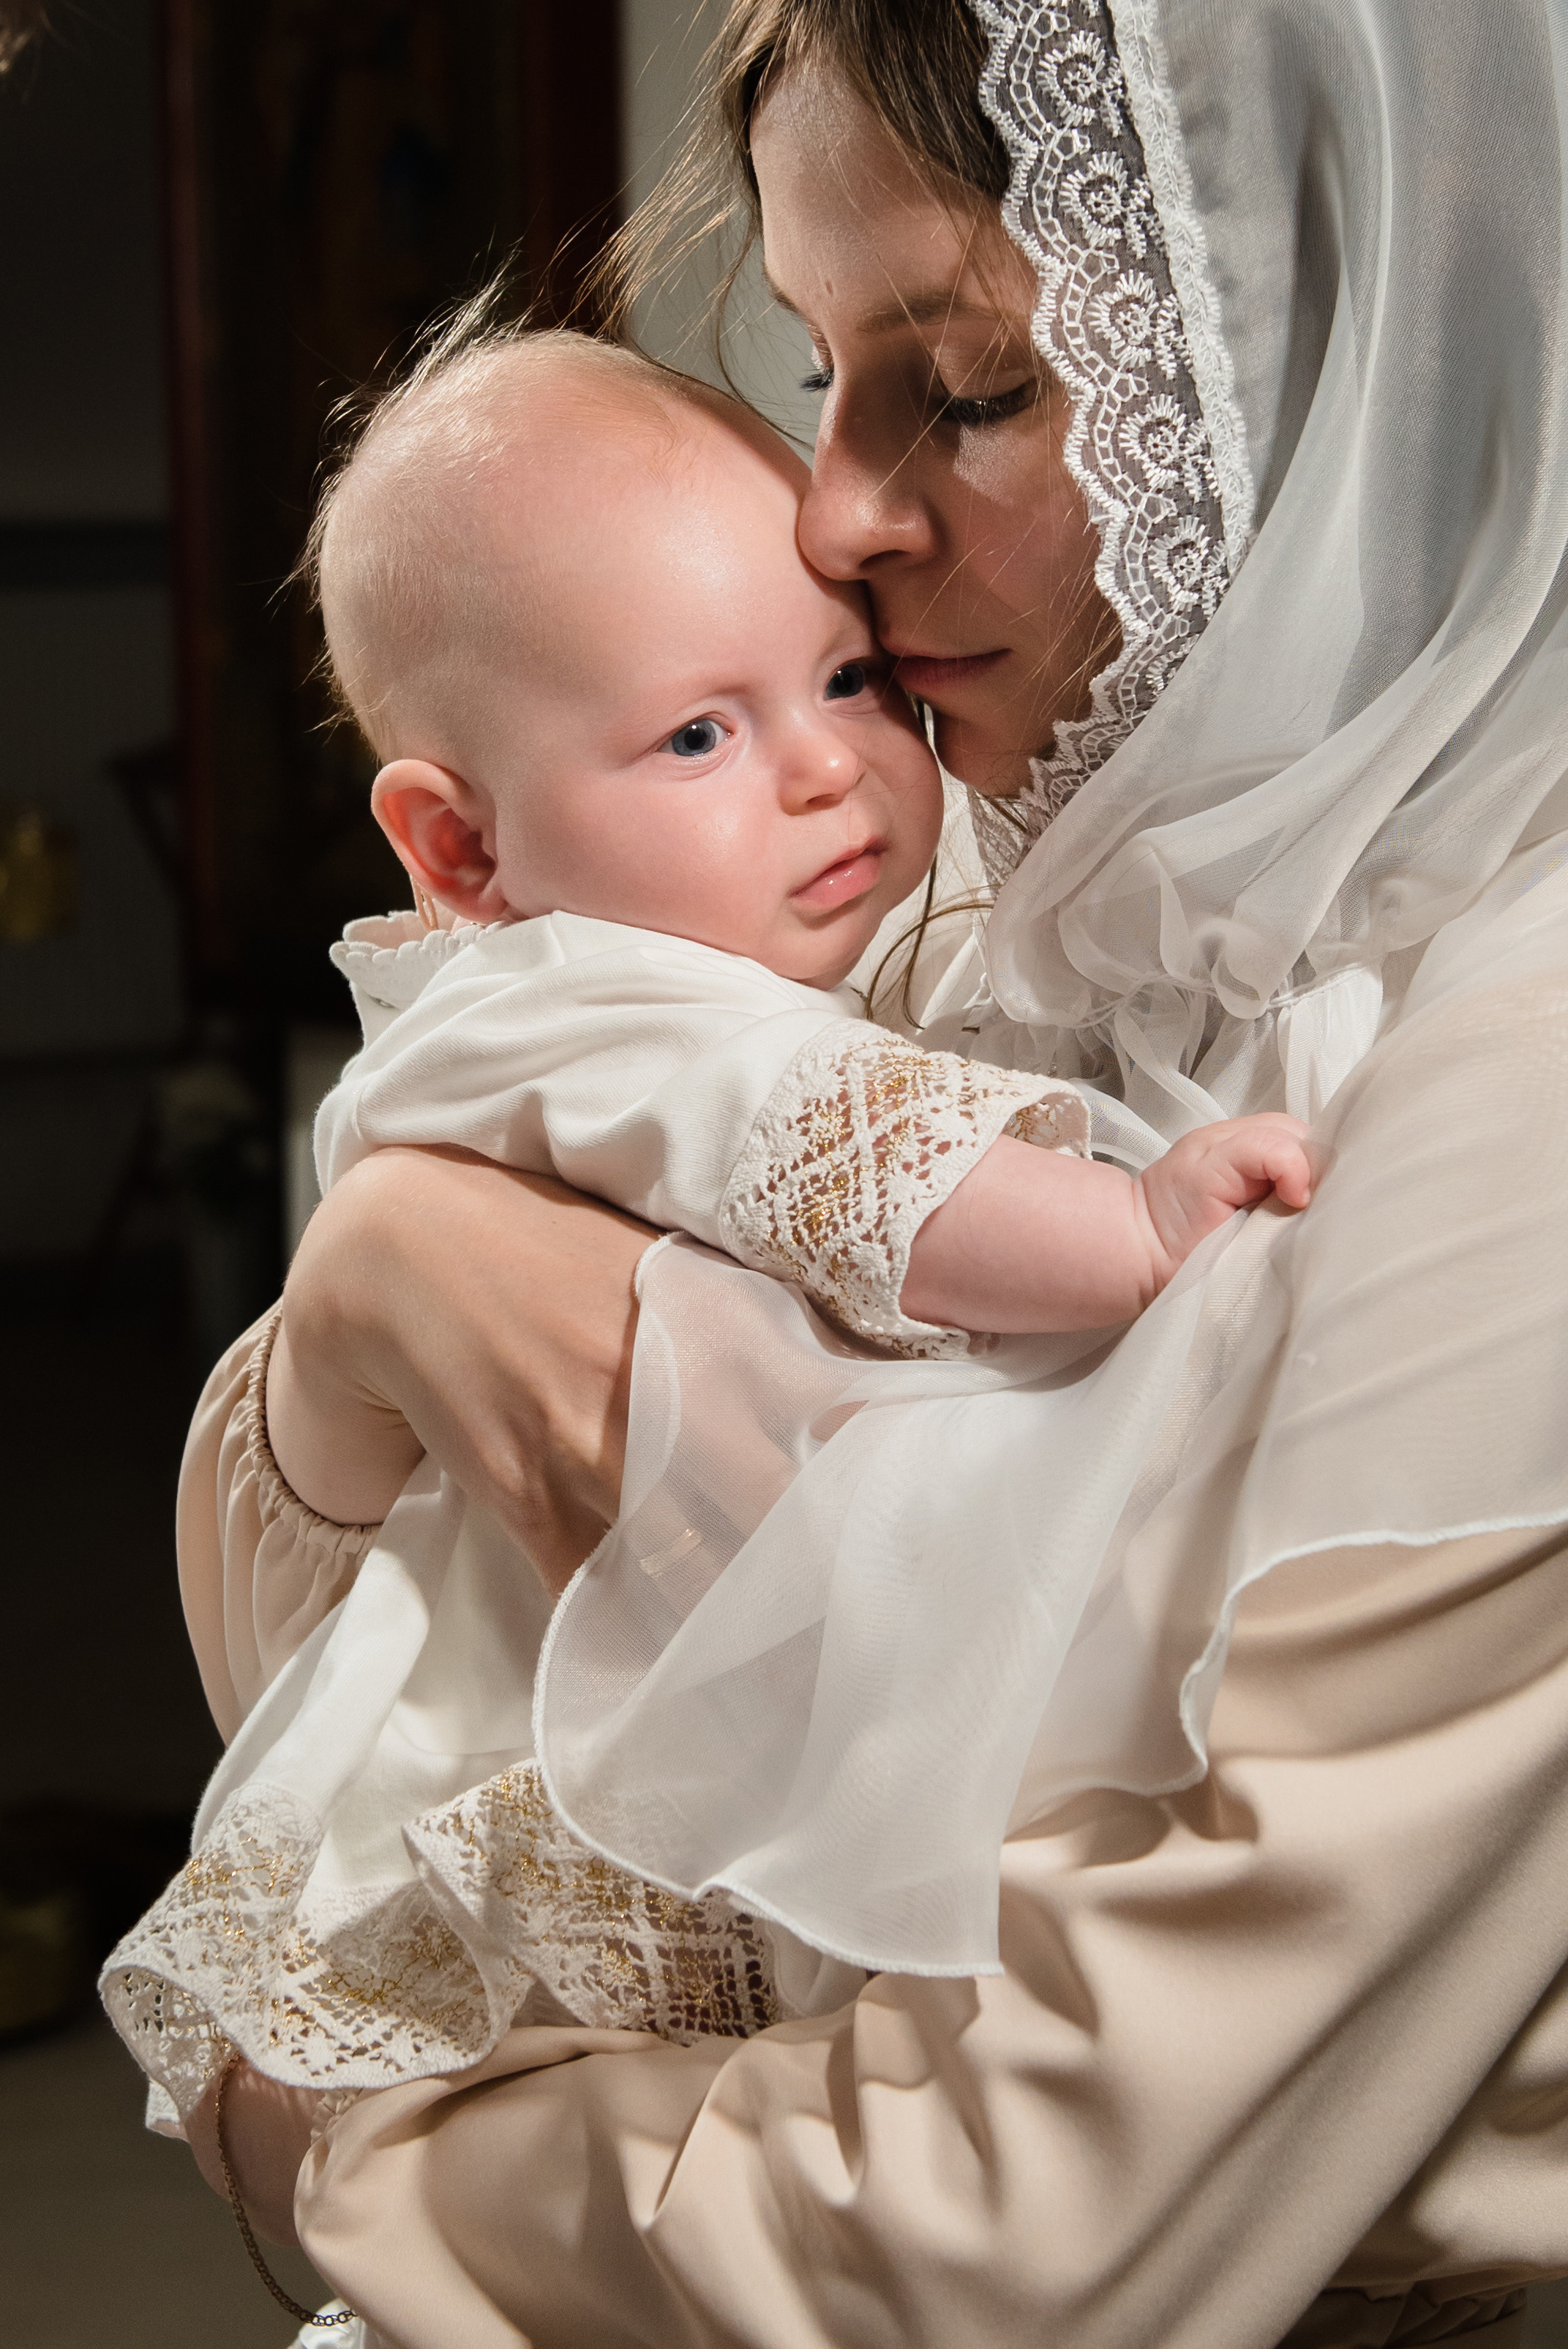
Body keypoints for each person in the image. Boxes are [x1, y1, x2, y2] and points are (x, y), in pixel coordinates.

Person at [157, 1, 1568, 2342]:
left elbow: (1012, 2229)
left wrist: (353, 2154)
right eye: (821, 367)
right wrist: (376, 1282)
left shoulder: (1507, 1069)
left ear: (1326, 334)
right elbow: (315, 1623)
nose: (829, 514)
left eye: (978, 385)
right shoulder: (1030, 876)